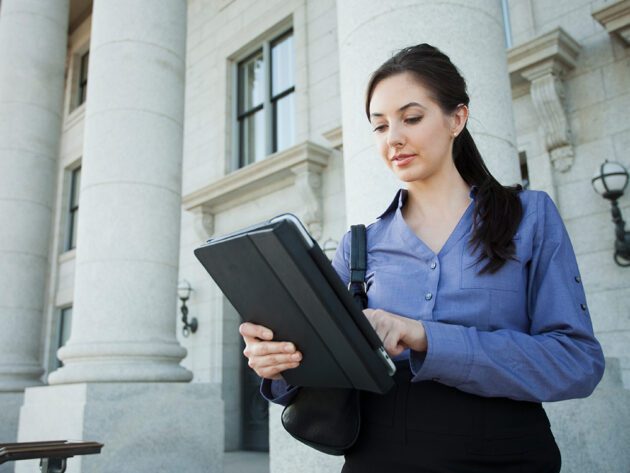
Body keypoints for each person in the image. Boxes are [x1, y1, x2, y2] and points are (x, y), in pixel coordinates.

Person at [239, 43, 605, 472]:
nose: (394, 138)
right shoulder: (359, 245)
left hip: (506, 454)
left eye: (411, 118)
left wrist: (424, 336)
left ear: (457, 119)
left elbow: (577, 363)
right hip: (379, 457)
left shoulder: (531, 216)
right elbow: (327, 367)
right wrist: (278, 364)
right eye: (379, 126)